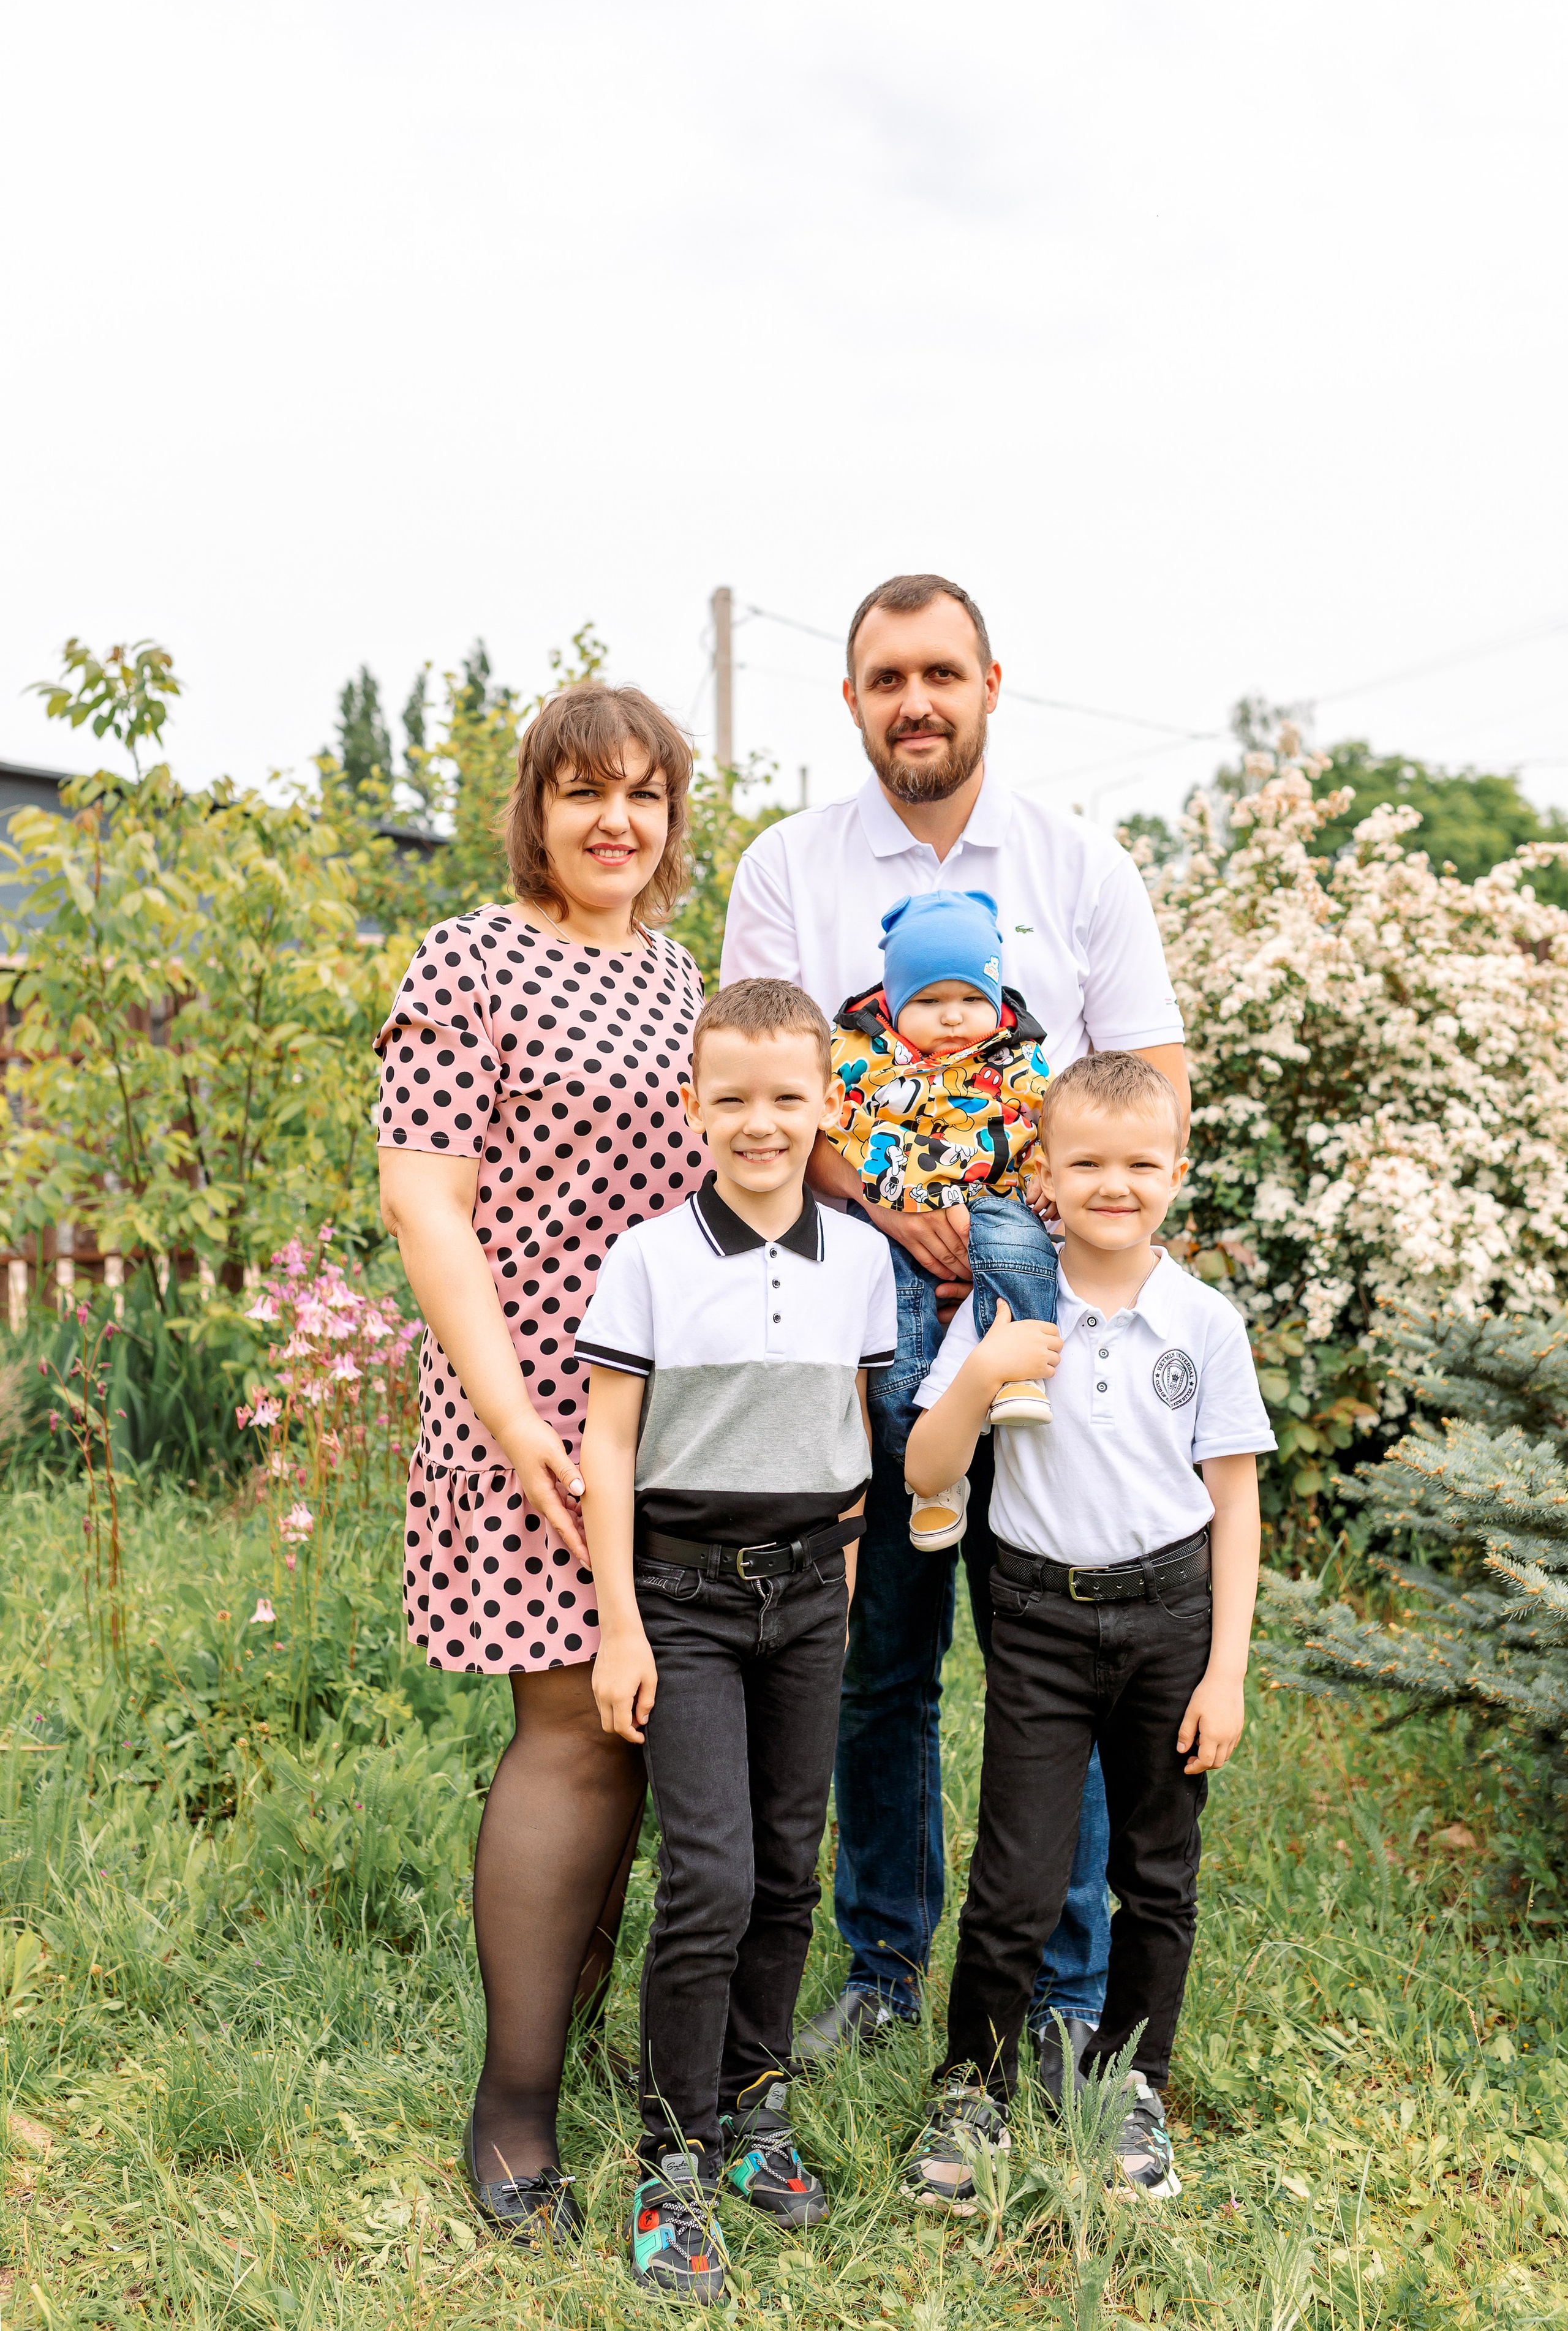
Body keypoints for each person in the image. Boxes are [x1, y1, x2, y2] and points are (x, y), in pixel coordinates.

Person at [719, 572, 1189, 2079]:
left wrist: (1035, 1223)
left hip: (1045, 1336)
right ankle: (876, 1962)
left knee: (1059, 1652)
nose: (912, 700)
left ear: (991, 681)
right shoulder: (789, 869)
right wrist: (882, 1201)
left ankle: (1060, 1991)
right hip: (851, 1326)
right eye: (882, 678)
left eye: (938, 672)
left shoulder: (1078, 867)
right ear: (849, 699)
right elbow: (757, 1084)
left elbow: (1151, 1087)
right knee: (879, 1659)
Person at [375, 682, 707, 2247]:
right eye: (582, 792)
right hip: (530, 1405)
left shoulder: (675, 971)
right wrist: (517, 1427)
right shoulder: (470, 955)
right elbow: (426, 1204)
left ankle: (580, 2022)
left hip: (672, 1419)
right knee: (572, 1724)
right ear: (535, 805)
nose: (613, 820)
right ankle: (513, 2104)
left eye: (641, 793)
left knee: (652, 1718)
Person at [902, 1052, 1273, 2202]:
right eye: (1089, 1164)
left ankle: (1130, 2086)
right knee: (1018, 1872)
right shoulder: (1010, 1309)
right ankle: (974, 2086)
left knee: (1158, 1872)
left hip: (1170, 1616)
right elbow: (924, 1469)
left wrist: (1227, 1672)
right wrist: (983, 1375)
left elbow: (1236, 1502)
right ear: (1047, 1180)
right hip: (1040, 1621)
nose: (1117, 1185)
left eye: (1141, 1165)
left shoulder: (1203, 1321)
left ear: (1175, 1174)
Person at [576, 978, 895, 2305]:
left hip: (809, 1598)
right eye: (732, 1097)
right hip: (686, 1602)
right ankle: (675, 2156)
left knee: (784, 1867)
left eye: (785, 1096)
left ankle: (757, 2103)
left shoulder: (862, 1259)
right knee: (708, 1875)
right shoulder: (650, 1257)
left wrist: (843, 1587)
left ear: (825, 1105)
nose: (759, 1122)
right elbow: (604, 1441)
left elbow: (855, 1448)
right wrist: (619, 1625)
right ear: (692, 1101)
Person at [825, 884, 1061, 1552]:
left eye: (969, 1000)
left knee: (1020, 1243)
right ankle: (930, 1481)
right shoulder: (862, 1058)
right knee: (899, 1347)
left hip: (996, 1203)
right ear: (895, 1005)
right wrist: (882, 1201)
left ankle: (1018, 1365)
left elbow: (1053, 1124)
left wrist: (1046, 1174)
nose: (953, 1018)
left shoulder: (1019, 1057)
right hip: (896, 1227)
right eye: (928, 1002)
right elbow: (831, 1129)